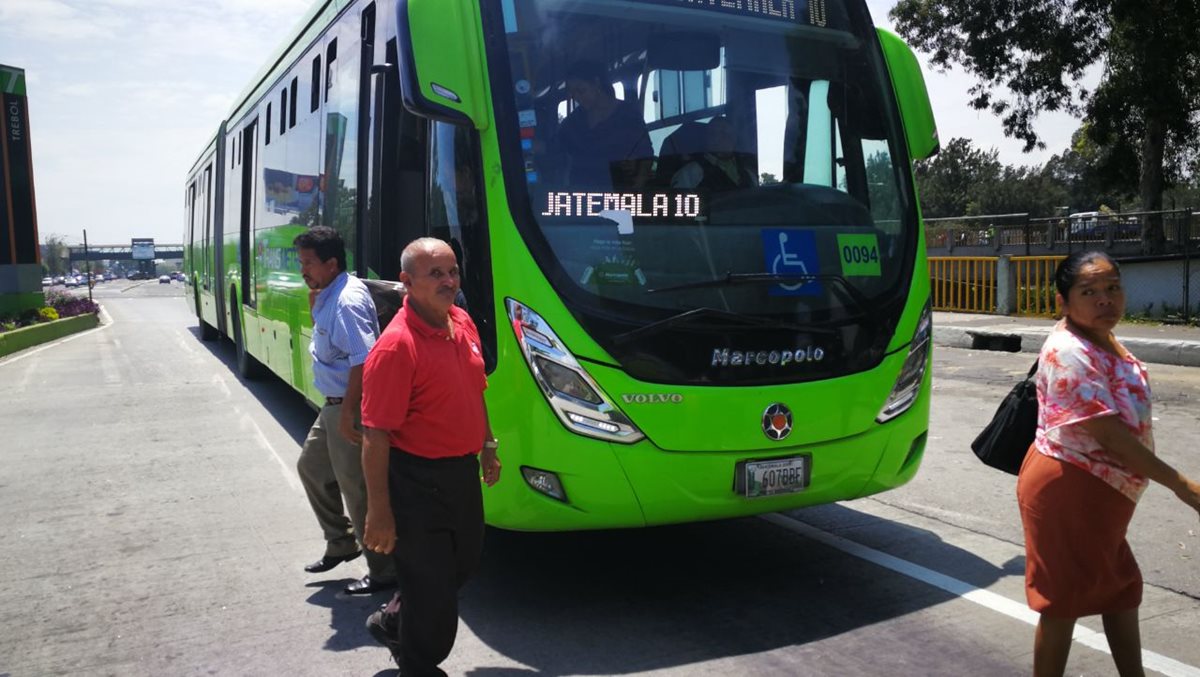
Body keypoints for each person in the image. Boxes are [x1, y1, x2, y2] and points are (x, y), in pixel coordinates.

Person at [1017, 250, 1200, 677]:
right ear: (1063, 301)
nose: (1105, 300)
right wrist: (1182, 485)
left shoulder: (1104, 337)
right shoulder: (1069, 350)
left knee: (1119, 588)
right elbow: (1110, 437)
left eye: (1113, 288)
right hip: (1070, 485)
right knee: (1061, 600)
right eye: (1090, 291)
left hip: (1106, 489)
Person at [360, 237, 502, 675]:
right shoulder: (396, 347)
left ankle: (396, 618)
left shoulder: (461, 322)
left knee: (464, 563)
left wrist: (488, 446)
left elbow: (476, 391)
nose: (448, 281)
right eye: (435, 274)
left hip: (459, 472)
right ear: (406, 282)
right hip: (414, 480)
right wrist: (379, 512)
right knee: (435, 591)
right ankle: (419, 663)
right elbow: (375, 435)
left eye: (453, 271)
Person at [293, 226, 397, 596]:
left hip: (349, 407)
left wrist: (352, 410)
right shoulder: (328, 294)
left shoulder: (347, 301)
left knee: (359, 490)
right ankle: (341, 542)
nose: (302, 269)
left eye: (308, 263)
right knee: (311, 468)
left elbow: (365, 360)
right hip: (334, 406)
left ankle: (383, 570)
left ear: (331, 263)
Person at [554, 60, 652, 189]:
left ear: (596, 83)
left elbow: (645, 157)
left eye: (581, 90)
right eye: (572, 92)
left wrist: (635, 193)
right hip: (581, 197)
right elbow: (555, 147)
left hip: (618, 193)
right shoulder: (574, 120)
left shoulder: (627, 115)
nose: (577, 97)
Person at [670, 116, 757, 191]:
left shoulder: (748, 174)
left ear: (735, 139)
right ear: (708, 139)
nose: (724, 137)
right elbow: (675, 205)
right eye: (717, 133)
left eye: (728, 133)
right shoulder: (692, 172)